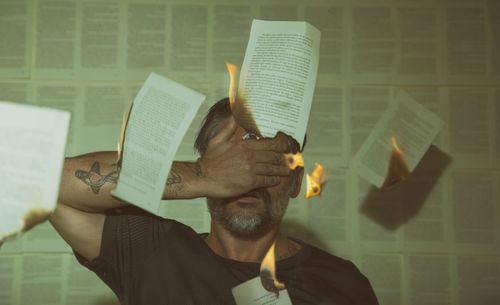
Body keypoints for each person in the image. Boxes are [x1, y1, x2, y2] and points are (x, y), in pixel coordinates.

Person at [50, 98, 379, 305]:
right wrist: (202, 175)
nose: (247, 178)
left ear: (295, 182)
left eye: (266, 163)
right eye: (234, 163)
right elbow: (49, 182)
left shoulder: (342, 283)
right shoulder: (150, 250)